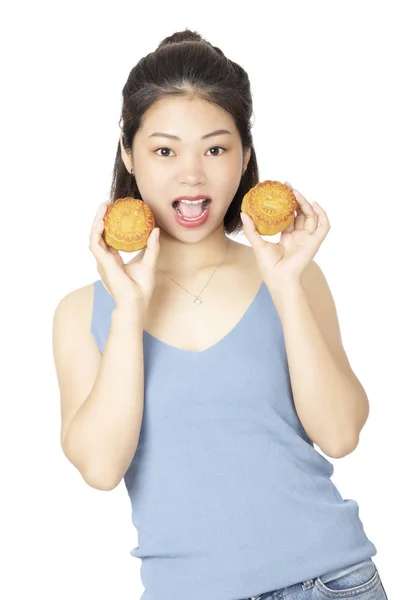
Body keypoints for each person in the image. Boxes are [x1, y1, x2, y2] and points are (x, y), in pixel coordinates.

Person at [52, 29, 389, 600]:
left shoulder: (293, 275)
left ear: (244, 157)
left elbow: (340, 434)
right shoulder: (83, 311)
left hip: (330, 583)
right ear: (128, 153)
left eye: (215, 148)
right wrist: (129, 313)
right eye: (164, 150)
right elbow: (101, 469)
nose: (192, 174)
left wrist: (284, 286)